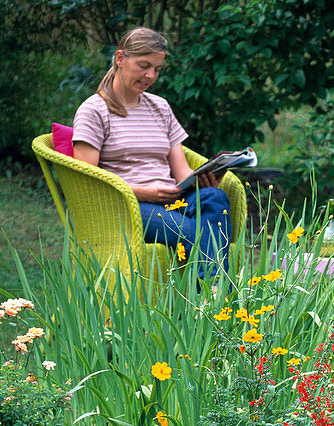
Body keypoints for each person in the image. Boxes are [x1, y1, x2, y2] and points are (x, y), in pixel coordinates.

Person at [72, 27, 230, 278]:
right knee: (195, 233)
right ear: (120, 58)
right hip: (126, 206)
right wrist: (144, 193)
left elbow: (181, 172)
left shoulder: (160, 107)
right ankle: (214, 302)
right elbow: (87, 183)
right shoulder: (94, 111)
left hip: (170, 200)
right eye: (144, 66)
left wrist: (201, 179)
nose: (150, 76)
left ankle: (208, 300)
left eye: (157, 69)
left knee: (215, 199)